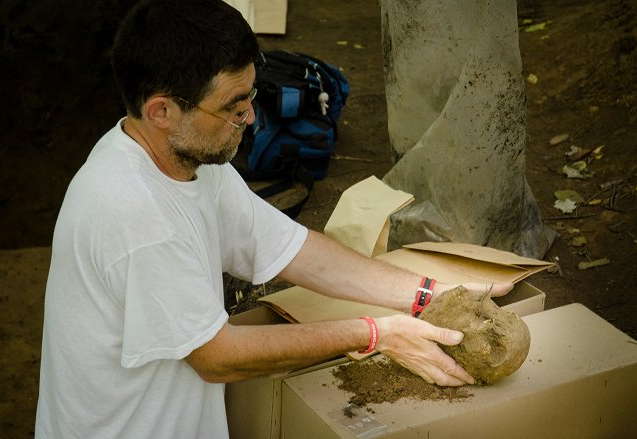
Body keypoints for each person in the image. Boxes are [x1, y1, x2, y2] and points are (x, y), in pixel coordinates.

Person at [35, 0, 511, 437]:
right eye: (231, 106)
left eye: (250, 96)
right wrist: (376, 334)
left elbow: (291, 249)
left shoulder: (189, 159)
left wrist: (430, 295)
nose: (251, 117)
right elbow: (217, 357)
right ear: (162, 110)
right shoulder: (134, 213)